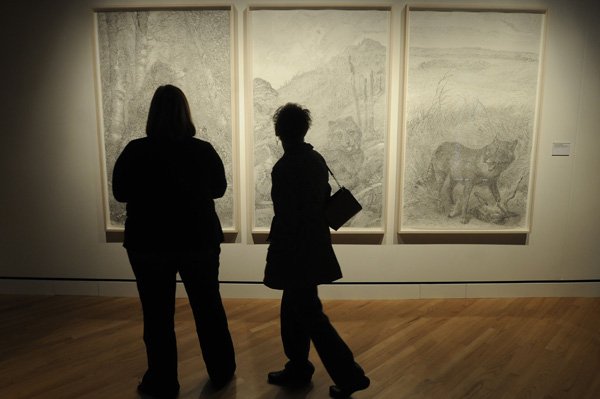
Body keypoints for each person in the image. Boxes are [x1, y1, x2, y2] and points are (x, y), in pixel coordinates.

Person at [112, 84, 236, 398]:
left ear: (153, 115)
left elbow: (120, 193)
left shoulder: (135, 151)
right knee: (208, 308)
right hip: (198, 240)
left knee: (157, 315)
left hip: (149, 243)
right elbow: (219, 189)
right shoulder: (202, 150)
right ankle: (221, 371)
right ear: (185, 113)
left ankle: (162, 380)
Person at [264, 103, 370, 398]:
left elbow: (284, 212)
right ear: (304, 129)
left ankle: (350, 375)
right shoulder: (316, 159)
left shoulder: (284, 167)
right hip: (314, 244)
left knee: (310, 314)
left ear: (279, 132)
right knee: (295, 307)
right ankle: (298, 366)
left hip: (294, 249)